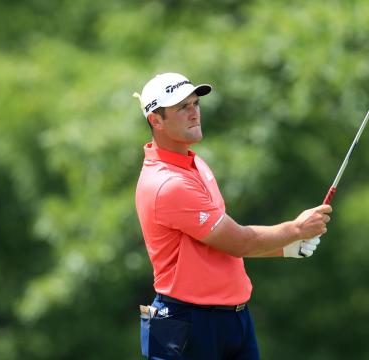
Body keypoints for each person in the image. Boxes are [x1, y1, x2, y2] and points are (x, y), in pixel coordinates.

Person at [133, 72, 332, 359]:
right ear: (156, 120)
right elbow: (238, 242)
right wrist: (296, 229)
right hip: (186, 322)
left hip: (233, 318)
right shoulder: (168, 184)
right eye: (182, 108)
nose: (194, 113)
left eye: (195, 104)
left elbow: (216, 248)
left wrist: (283, 249)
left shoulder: (194, 164)